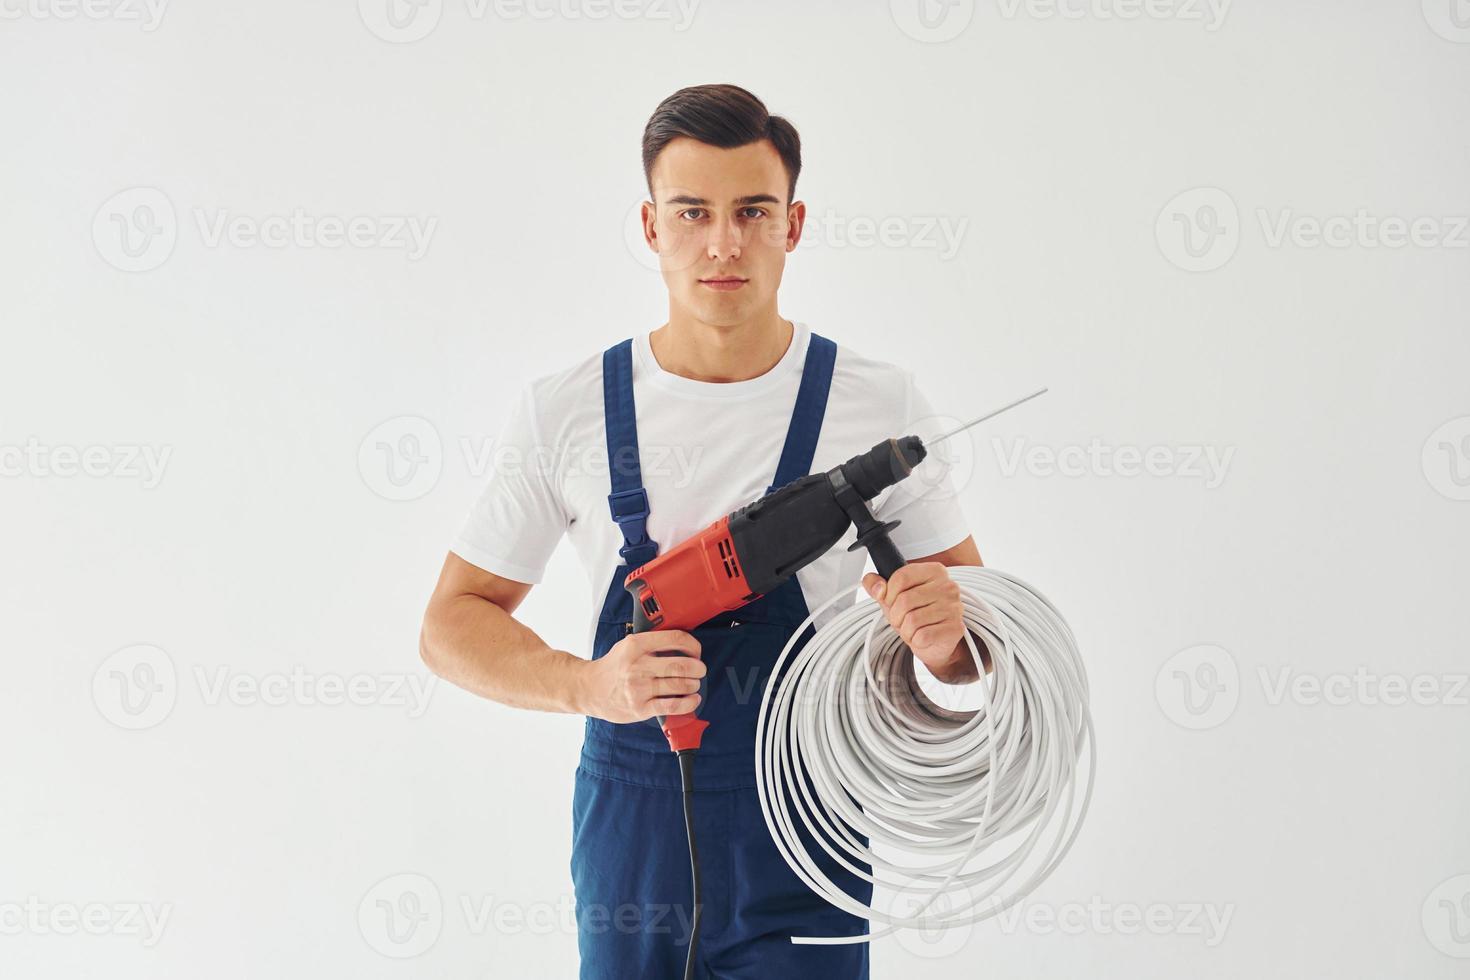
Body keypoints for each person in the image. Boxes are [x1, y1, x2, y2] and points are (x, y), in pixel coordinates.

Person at [420, 82, 986, 979]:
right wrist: (590, 687)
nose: (723, 243)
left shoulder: (879, 404)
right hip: (631, 841)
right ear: (651, 228)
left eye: (753, 212)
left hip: (811, 828)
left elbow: (971, 651)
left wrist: (949, 642)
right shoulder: (567, 411)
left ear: (793, 226)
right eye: (692, 213)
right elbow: (451, 624)